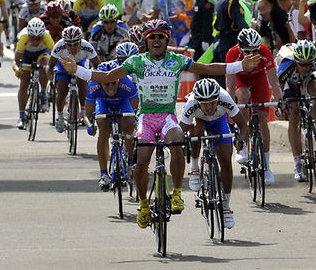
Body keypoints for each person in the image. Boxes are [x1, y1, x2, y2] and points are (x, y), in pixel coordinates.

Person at [58, 19, 261, 228]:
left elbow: (208, 68)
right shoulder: (137, 61)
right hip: (146, 117)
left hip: (167, 117)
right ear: (146, 41)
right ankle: (144, 204)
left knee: (177, 141)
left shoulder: (177, 60)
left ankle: (177, 194)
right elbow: (107, 75)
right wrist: (77, 71)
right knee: (143, 158)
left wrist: (240, 65)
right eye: (152, 37)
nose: (156, 41)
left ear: (166, 40)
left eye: (160, 37)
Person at [180, 78, 249, 229]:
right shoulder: (191, 103)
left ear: (217, 98)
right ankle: (195, 167)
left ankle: (225, 206)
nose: (209, 107)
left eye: (212, 102)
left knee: (225, 159)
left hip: (219, 122)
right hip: (200, 121)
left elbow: (243, 125)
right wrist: (183, 147)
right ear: (197, 101)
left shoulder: (225, 98)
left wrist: (241, 142)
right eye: (204, 104)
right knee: (197, 130)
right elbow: (180, 132)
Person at [277, 40, 316, 181]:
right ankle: (298, 163)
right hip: (290, 81)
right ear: (296, 60)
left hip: (310, 79)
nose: (305, 67)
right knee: (294, 113)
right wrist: (281, 104)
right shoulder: (286, 63)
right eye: (301, 64)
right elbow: (278, 91)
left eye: (308, 64)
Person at [226, 28, 283, 185]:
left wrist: (280, 103)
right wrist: (230, 113)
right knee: (243, 96)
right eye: (247, 51)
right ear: (239, 48)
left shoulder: (265, 52)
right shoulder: (232, 54)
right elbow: (230, 88)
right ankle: (242, 142)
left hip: (259, 78)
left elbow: (274, 82)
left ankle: (266, 166)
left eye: (255, 51)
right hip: (240, 78)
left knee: (263, 119)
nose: (252, 55)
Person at [86, 60, 138, 190]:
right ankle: (104, 174)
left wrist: (135, 125)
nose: (110, 88)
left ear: (119, 81)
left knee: (128, 126)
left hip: (123, 102)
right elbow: (88, 114)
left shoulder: (127, 83)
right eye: (106, 84)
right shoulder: (93, 85)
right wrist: (90, 125)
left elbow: (136, 110)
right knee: (103, 128)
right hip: (103, 104)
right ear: (100, 82)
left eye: (113, 83)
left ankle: (131, 161)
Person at [48, 25, 100, 133]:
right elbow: (50, 66)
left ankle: (84, 111)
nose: (72, 47)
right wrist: (52, 80)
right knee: (62, 89)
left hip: (80, 64)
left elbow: (98, 65)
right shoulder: (59, 46)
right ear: (64, 43)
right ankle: (61, 117)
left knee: (82, 82)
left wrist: (94, 79)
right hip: (63, 64)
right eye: (69, 44)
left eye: (76, 44)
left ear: (81, 41)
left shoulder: (87, 46)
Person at [14, 17, 55, 128]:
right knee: (24, 83)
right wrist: (17, 70)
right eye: (33, 38)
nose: (36, 41)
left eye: (39, 38)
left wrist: (52, 68)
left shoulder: (46, 36)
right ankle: (21, 116)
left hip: (42, 54)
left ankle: (42, 93)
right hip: (26, 56)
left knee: (45, 63)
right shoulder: (23, 38)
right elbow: (17, 61)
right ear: (29, 35)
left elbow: (55, 55)